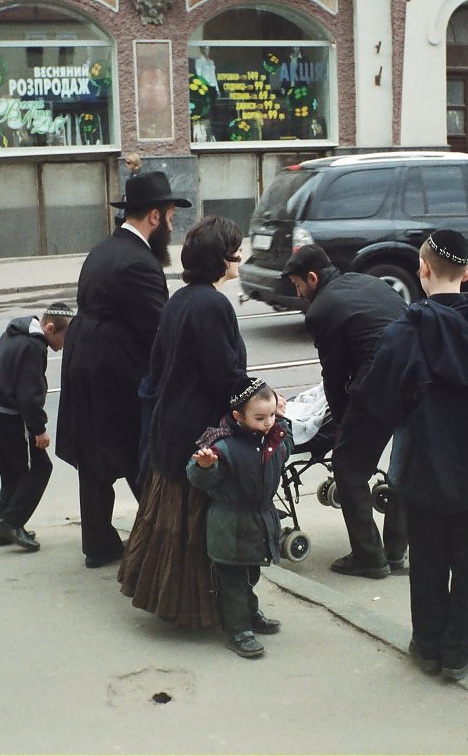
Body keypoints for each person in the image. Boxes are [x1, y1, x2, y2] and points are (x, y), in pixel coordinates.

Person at [355, 229, 468, 682]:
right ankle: (458, 653)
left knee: (427, 560)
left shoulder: (404, 333)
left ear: (423, 270)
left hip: (422, 466)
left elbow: (379, 402)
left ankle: (427, 646)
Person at [118, 215, 248, 627]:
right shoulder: (212, 304)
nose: (240, 257)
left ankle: (181, 602)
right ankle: (204, 610)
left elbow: (160, 365)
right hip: (198, 431)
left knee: (170, 526)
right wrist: (261, 399)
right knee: (199, 527)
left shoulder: (181, 298)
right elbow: (223, 374)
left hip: (170, 425)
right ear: (220, 258)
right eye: (234, 250)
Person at [56, 171, 189, 569]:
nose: (172, 224)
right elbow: (158, 330)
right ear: (153, 216)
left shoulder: (104, 248)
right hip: (114, 372)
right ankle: (162, 538)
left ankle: (98, 543)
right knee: (139, 452)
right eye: (169, 216)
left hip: (85, 363)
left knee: (95, 458)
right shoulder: (139, 263)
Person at [283, 245, 408, 578]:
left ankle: (370, 559)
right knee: (404, 464)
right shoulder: (364, 282)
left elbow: (334, 374)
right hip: (416, 378)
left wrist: (340, 423)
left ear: (312, 278)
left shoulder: (321, 310)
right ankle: (396, 552)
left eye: (297, 285)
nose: (297, 293)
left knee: (348, 468)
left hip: (378, 388)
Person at [188, 378, 292, 658]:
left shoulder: (271, 437)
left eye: (271, 415)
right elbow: (197, 477)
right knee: (232, 581)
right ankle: (238, 629)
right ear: (238, 417)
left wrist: (284, 423)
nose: (268, 422)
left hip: (258, 521)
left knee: (250, 574)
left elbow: (286, 450)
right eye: (260, 417)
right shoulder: (222, 445)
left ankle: (250, 612)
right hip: (230, 525)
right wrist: (205, 466)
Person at [0, 301, 75, 551]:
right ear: (49, 328)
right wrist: (39, 429)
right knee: (40, 469)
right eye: (64, 338)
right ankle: (11, 524)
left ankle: (0, 529)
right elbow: (29, 394)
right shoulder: (34, 347)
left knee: (12, 474)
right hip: (11, 417)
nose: (65, 345)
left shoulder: (16, 331)